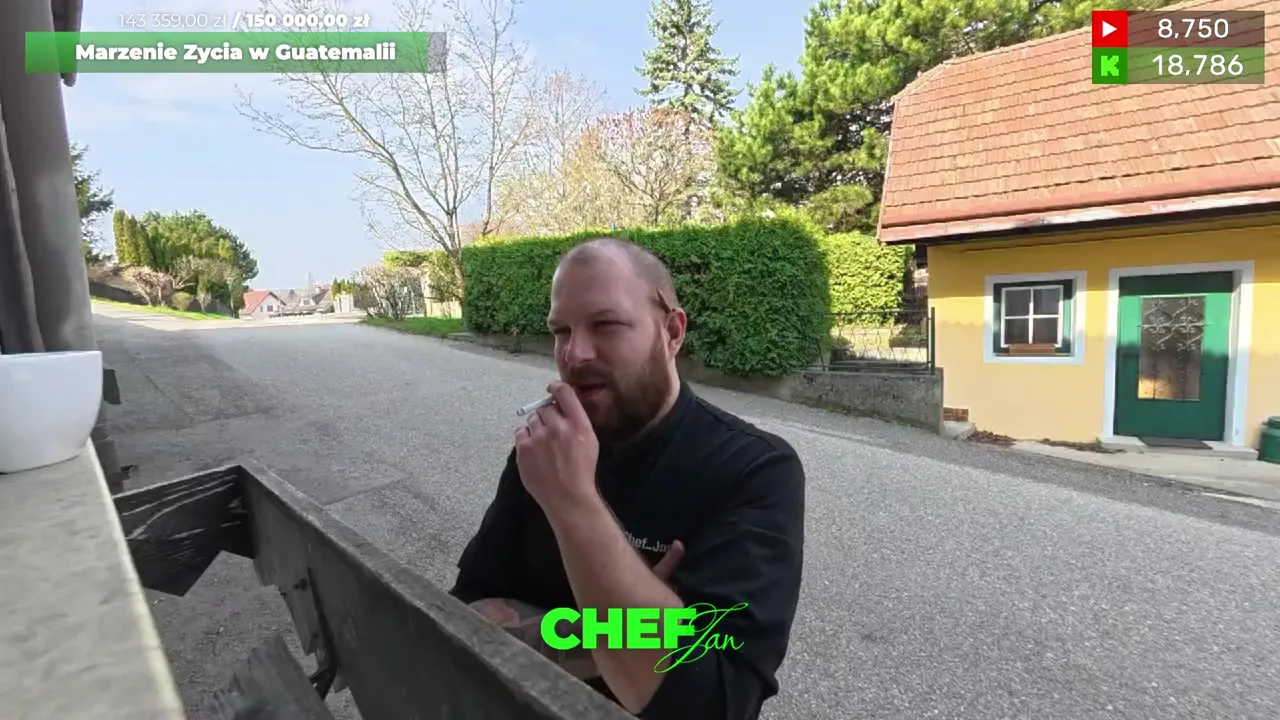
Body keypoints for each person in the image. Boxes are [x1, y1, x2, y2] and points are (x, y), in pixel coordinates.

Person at [449, 238, 806, 720]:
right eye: (560, 331)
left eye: (607, 325)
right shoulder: (545, 451)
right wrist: (632, 630)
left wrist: (573, 502)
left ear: (672, 332)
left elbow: (711, 701)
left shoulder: (753, 470)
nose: (574, 354)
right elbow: (467, 609)